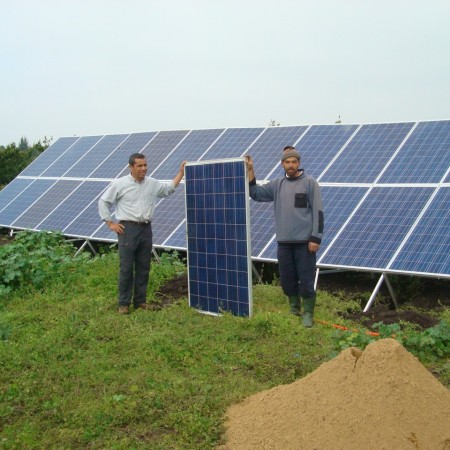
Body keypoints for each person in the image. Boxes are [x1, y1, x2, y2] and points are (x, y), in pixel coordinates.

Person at [98, 153, 186, 315]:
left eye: (145, 165)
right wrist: (110, 223)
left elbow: (167, 190)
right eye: (139, 166)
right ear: (130, 167)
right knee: (126, 268)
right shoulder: (120, 184)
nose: (143, 168)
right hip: (127, 229)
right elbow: (104, 201)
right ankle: (123, 304)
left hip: (146, 229)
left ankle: (140, 301)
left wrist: (181, 173)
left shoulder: (151, 183)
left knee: (144, 267)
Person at [245, 146, 324, 327]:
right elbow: (255, 193)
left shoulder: (310, 183)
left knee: (306, 279)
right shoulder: (277, 184)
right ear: (282, 164)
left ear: (299, 163)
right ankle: (294, 309)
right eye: (287, 162)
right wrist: (250, 169)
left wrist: (315, 238)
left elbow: (318, 212)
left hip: (305, 242)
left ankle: (308, 313)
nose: (290, 165)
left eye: (294, 162)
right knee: (287, 279)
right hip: (284, 242)